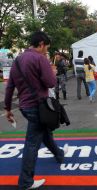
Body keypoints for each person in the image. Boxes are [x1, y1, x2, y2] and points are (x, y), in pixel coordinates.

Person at [4, 31, 68, 189]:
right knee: (32, 143)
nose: (47, 50)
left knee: (44, 132)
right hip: (38, 107)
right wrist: (53, 72)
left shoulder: (18, 60)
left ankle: (59, 154)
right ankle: (25, 181)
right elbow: (51, 83)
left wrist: (7, 108)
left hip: (25, 107)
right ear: (41, 44)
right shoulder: (40, 59)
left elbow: (10, 87)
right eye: (46, 47)